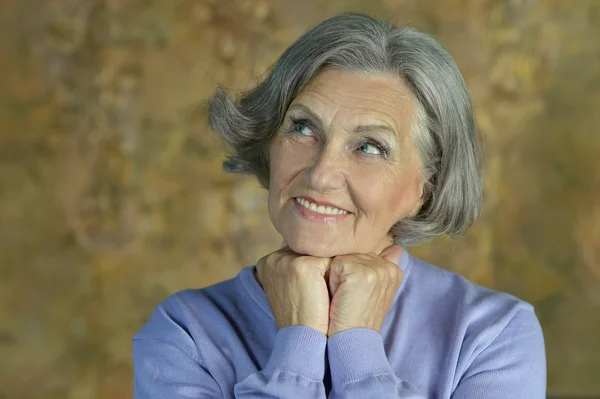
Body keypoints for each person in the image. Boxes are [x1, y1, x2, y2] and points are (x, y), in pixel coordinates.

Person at [132, 12, 546, 399]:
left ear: (425, 189)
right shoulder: (184, 331)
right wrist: (299, 339)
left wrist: (356, 345)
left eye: (370, 147)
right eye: (303, 127)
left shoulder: (493, 336)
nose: (321, 174)